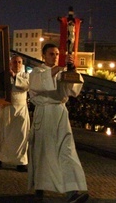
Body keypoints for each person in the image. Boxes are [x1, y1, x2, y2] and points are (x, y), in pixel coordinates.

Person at [28, 43, 89, 203]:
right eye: (51, 54)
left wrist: (72, 69)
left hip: (61, 114)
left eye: (56, 54)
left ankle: (72, 190)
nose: (54, 57)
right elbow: (41, 83)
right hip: (45, 113)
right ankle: (39, 185)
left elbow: (73, 90)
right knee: (44, 153)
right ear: (43, 56)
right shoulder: (37, 72)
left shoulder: (61, 72)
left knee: (66, 151)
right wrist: (61, 67)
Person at [0, 55, 30, 172]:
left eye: (19, 62)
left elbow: (26, 86)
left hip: (21, 108)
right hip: (7, 108)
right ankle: (1, 157)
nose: (17, 64)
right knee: (4, 133)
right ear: (10, 63)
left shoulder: (26, 75)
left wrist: (14, 77)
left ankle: (21, 161)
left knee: (21, 135)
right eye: (14, 62)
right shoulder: (4, 76)